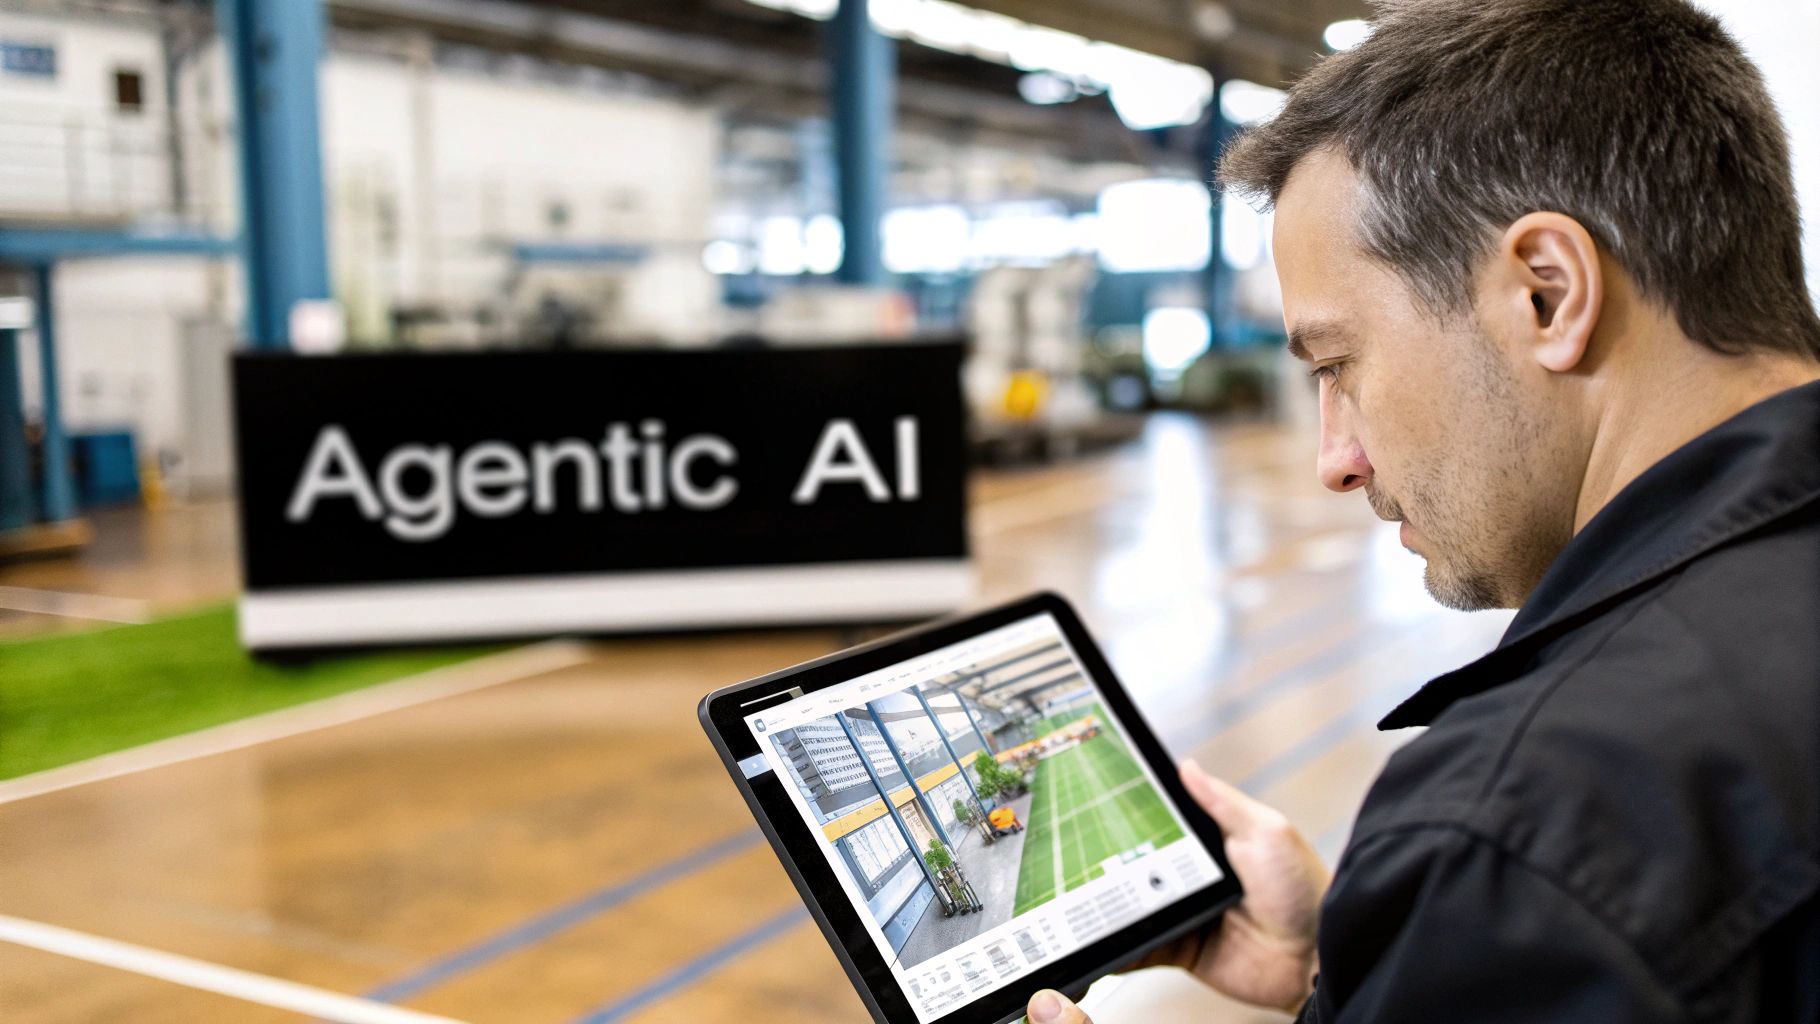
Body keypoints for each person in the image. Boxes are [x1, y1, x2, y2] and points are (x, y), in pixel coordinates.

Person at [1028, 0, 1820, 1020]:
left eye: (1336, 364)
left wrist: (1452, 906)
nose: (1334, 461)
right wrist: (1385, 961)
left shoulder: (1521, 828)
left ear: (1545, 294)